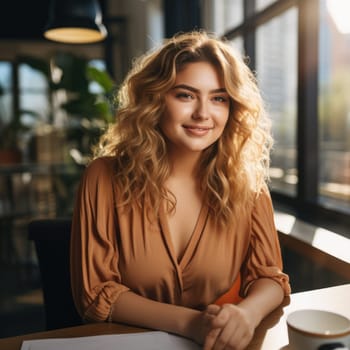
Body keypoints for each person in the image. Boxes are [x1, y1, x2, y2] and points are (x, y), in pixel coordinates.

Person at [70, 30, 291, 350]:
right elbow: (95, 294)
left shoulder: (248, 184)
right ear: (155, 99)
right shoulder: (103, 177)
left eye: (219, 98)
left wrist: (247, 314)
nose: (203, 113)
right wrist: (192, 324)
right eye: (185, 95)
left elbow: (270, 277)